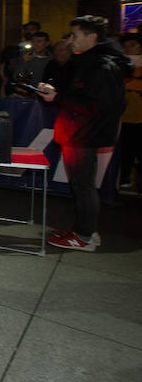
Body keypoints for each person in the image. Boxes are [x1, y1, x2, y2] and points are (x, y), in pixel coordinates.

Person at [38, 16, 132, 252]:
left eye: (75, 36)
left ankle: (84, 236)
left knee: (83, 186)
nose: (70, 41)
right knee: (81, 185)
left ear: (91, 37)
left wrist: (57, 97)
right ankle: (85, 231)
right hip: (80, 131)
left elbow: (98, 105)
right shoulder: (93, 62)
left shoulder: (102, 65)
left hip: (85, 133)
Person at [118, 34, 142, 195]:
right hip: (123, 117)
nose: (128, 49)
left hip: (139, 117)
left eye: (132, 45)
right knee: (125, 151)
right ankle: (124, 180)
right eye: (125, 45)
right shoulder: (119, 66)